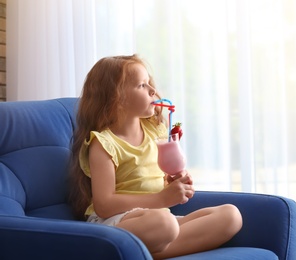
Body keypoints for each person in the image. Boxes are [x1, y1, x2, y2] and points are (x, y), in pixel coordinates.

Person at [68, 54, 243, 259]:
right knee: (164, 224)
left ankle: (143, 254)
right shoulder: (103, 143)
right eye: (142, 85)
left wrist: (170, 182)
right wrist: (161, 198)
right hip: (116, 223)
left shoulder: (155, 132)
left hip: (157, 219)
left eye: (149, 83)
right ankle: (134, 249)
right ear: (116, 97)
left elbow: (154, 180)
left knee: (231, 216)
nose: (153, 90)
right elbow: (104, 205)